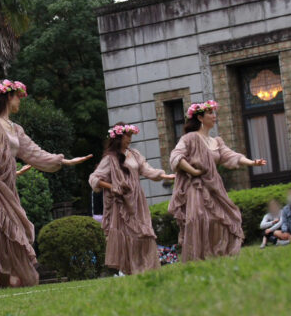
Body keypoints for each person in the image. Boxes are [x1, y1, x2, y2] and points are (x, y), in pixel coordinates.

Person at [0, 79, 92, 289]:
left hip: (7, 188)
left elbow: (33, 153)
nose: (20, 101)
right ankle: (2, 279)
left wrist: (62, 160)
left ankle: (12, 278)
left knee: (16, 230)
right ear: (8, 96)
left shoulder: (15, 129)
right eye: (18, 96)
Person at [168, 100, 267, 262]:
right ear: (200, 117)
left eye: (214, 113)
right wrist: (193, 171)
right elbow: (175, 157)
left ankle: (216, 254)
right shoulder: (190, 138)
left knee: (222, 220)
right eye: (210, 113)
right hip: (196, 188)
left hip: (214, 187)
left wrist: (251, 162)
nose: (214, 117)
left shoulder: (216, 141)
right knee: (200, 220)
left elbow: (230, 156)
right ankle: (197, 258)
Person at [89, 123, 175, 275]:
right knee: (130, 236)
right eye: (126, 136)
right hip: (122, 203)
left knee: (145, 233)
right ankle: (133, 269)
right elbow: (94, 179)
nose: (129, 139)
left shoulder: (134, 154)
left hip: (137, 200)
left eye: (130, 136)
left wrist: (164, 175)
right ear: (118, 138)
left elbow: (147, 170)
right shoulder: (110, 158)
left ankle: (148, 268)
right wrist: (112, 186)